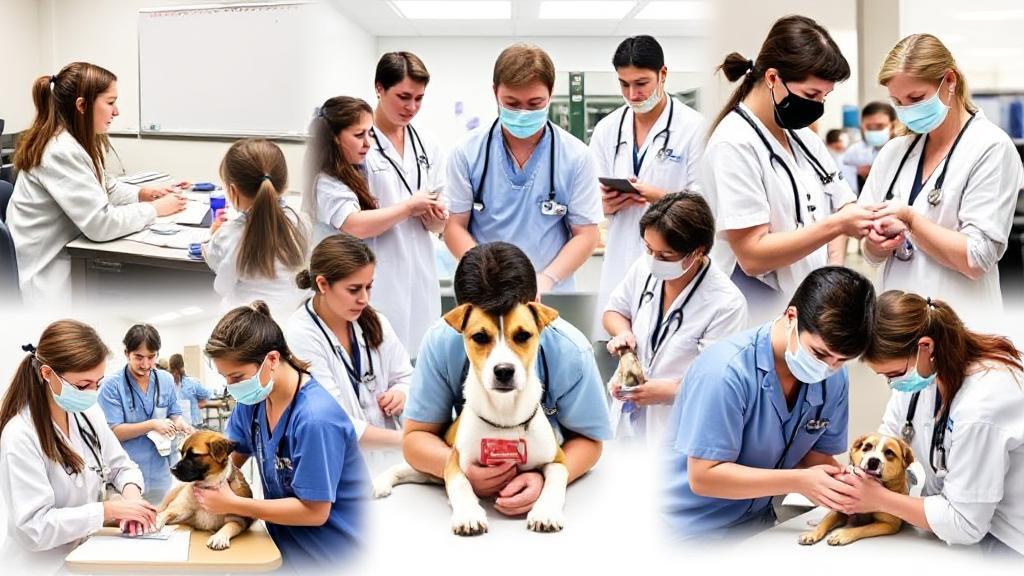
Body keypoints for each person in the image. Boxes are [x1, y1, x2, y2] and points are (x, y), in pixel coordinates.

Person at [663, 266, 875, 540]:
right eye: (820, 353)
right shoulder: (724, 372)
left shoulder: (833, 377)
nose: (828, 368)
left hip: (758, 525)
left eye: (841, 360)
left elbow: (814, 457)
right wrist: (800, 482)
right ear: (791, 317)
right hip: (686, 531)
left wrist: (846, 484)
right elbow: (704, 477)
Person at [403, 242, 610, 515]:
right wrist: (458, 467)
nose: (503, 361)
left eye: (521, 336)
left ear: (536, 301)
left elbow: (590, 441)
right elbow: (416, 437)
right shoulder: (440, 341)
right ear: (461, 317)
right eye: (480, 336)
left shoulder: (571, 351)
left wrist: (546, 480)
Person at [703, 16, 876, 324]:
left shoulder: (804, 138)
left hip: (810, 309)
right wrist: (836, 226)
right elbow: (753, 256)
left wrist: (830, 274)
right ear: (772, 78)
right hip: (757, 314)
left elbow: (842, 202)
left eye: (825, 96)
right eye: (811, 95)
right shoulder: (734, 144)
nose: (818, 105)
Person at [836, 291, 1024, 556]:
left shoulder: (981, 406)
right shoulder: (925, 378)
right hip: (957, 528)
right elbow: (888, 436)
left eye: (894, 373)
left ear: (926, 347)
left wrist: (879, 498)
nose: (892, 384)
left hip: (1009, 541)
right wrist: (861, 475)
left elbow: (966, 523)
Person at [858, 34, 1024, 317]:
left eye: (916, 98)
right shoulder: (894, 152)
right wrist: (875, 243)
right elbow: (869, 251)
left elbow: (977, 258)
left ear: (950, 80)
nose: (908, 110)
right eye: (898, 101)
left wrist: (910, 220)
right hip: (897, 327)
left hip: (963, 327)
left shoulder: (990, 147)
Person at [198, 301, 367, 568]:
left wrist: (233, 504)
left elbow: (315, 512)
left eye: (237, 376)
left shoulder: (315, 419)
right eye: (225, 378)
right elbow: (228, 461)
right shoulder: (251, 404)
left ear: (272, 360)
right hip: (281, 549)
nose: (231, 388)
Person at [8, 62, 185, 307]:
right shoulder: (60, 150)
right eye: (110, 103)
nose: (117, 112)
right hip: (48, 278)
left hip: (69, 257)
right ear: (82, 106)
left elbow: (106, 187)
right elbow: (100, 225)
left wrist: (144, 194)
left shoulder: (74, 142)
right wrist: (155, 209)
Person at [444, 44, 602, 294]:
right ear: (495, 92)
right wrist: (484, 274)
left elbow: (586, 234)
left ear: (550, 94)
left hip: (550, 292)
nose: (523, 113)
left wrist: (547, 279)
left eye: (535, 103)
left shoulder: (577, 156)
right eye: (512, 103)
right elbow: (454, 226)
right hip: (484, 291)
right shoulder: (467, 152)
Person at [0, 320, 157, 556]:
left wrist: (131, 500)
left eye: (97, 383)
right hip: (41, 566)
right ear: (47, 374)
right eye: (83, 385)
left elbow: (122, 466)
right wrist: (107, 511)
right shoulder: (20, 435)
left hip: (83, 555)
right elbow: (34, 528)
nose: (92, 393)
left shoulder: (89, 414)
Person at [304, 92, 444, 354]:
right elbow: (355, 223)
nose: (369, 144)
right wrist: (409, 207)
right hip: (339, 288)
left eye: (370, 134)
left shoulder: (357, 173)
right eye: (359, 135)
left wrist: (434, 216)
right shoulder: (326, 181)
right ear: (334, 139)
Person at [589, 35, 706, 339]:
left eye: (641, 83)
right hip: (619, 261)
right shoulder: (606, 129)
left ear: (663, 74)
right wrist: (605, 204)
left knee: (668, 352)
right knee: (616, 357)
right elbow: (590, 199)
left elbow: (705, 206)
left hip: (673, 261)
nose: (633, 93)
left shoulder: (694, 128)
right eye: (624, 84)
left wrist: (656, 197)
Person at [603, 192, 746, 441]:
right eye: (649, 249)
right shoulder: (643, 268)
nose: (654, 260)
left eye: (666, 255)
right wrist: (623, 334)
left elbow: (715, 382)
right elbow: (614, 310)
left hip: (678, 427)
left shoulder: (726, 303)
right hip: (629, 419)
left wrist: (668, 392)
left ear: (698, 251)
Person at [287, 234, 413, 454]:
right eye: (354, 290)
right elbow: (334, 421)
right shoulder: (300, 335)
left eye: (369, 287)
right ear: (323, 284)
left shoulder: (375, 322)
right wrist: (409, 442)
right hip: (343, 466)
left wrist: (401, 391)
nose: (364, 299)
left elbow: (406, 376)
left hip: (387, 457)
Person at [204, 138, 308, 321]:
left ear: (233, 191)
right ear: (283, 185)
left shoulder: (230, 234)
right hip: (295, 319)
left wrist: (212, 236)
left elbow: (222, 286)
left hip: (248, 329)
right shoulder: (301, 222)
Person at [98, 324, 188, 503]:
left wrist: (180, 423)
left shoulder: (165, 380)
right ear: (126, 353)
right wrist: (152, 424)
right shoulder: (111, 386)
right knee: (130, 522)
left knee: (160, 519)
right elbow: (112, 432)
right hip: (125, 473)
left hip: (161, 471)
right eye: (138, 357)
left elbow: (174, 412)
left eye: (151, 357)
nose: (145, 364)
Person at [841, 101, 896, 195]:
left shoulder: (902, 148)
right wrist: (856, 171)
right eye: (869, 127)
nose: (874, 130)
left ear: (892, 126)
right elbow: (841, 175)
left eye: (880, 126)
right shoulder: (854, 151)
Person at [168, 354, 210, 428]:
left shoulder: (192, 383)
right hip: (176, 424)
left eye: (176, 370)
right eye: (173, 370)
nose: (175, 373)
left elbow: (206, 394)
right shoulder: (168, 384)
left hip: (193, 424)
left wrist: (201, 403)